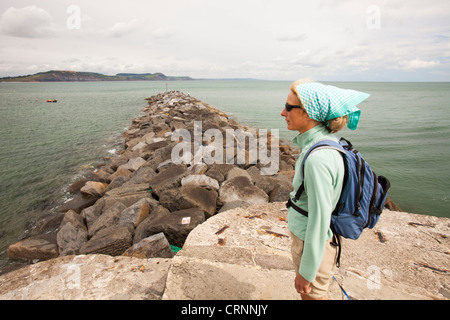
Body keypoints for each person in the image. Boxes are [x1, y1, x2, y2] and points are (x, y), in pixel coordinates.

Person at [281, 80, 370, 300]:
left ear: (310, 113)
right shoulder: (324, 142)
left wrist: (307, 272)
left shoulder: (318, 158)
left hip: (311, 247)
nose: (283, 112)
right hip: (312, 243)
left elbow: (319, 220)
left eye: (290, 107)